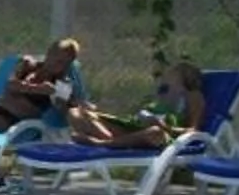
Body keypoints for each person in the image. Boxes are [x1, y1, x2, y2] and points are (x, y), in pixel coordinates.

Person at [63, 60, 205, 150]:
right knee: (76, 113)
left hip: (160, 136)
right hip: (134, 129)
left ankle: (102, 143)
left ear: (184, 76)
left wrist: (165, 127)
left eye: (173, 72)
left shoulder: (192, 96)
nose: (167, 75)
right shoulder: (164, 94)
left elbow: (193, 130)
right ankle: (111, 141)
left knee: (155, 132)